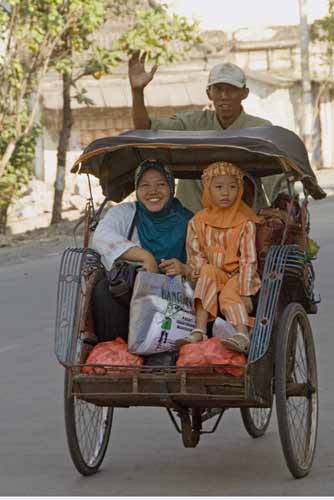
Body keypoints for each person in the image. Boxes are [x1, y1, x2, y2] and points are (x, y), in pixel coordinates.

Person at [128, 52, 285, 213]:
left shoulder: (260, 128)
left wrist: (282, 209)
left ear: (244, 93)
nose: (224, 96)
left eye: (231, 89)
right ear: (209, 93)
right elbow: (144, 129)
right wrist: (137, 92)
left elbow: (277, 180)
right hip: (193, 219)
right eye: (218, 89)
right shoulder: (193, 122)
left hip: (246, 221)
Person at [91, 159, 193, 343]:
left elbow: (204, 261)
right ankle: (118, 352)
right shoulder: (125, 213)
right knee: (103, 290)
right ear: (137, 190)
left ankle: (169, 349)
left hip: (176, 296)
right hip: (130, 297)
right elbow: (101, 237)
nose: (153, 191)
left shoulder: (189, 220)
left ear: (171, 188)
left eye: (161, 184)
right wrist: (145, 257)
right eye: (145, 185)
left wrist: (184, 268)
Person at [178, 161, 261, 354]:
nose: (226, 193)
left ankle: (242, 334)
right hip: (214, 274)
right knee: (206, 271)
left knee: (229, 294)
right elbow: (196, 256)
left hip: (238, 275)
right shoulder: (197, 222)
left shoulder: (245, 222)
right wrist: (200, 278)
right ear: (208, 189)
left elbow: (249, 259)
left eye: (233, 187)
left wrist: (246, 291)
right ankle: (199, 329)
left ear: (239, 189)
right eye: (219, 187)